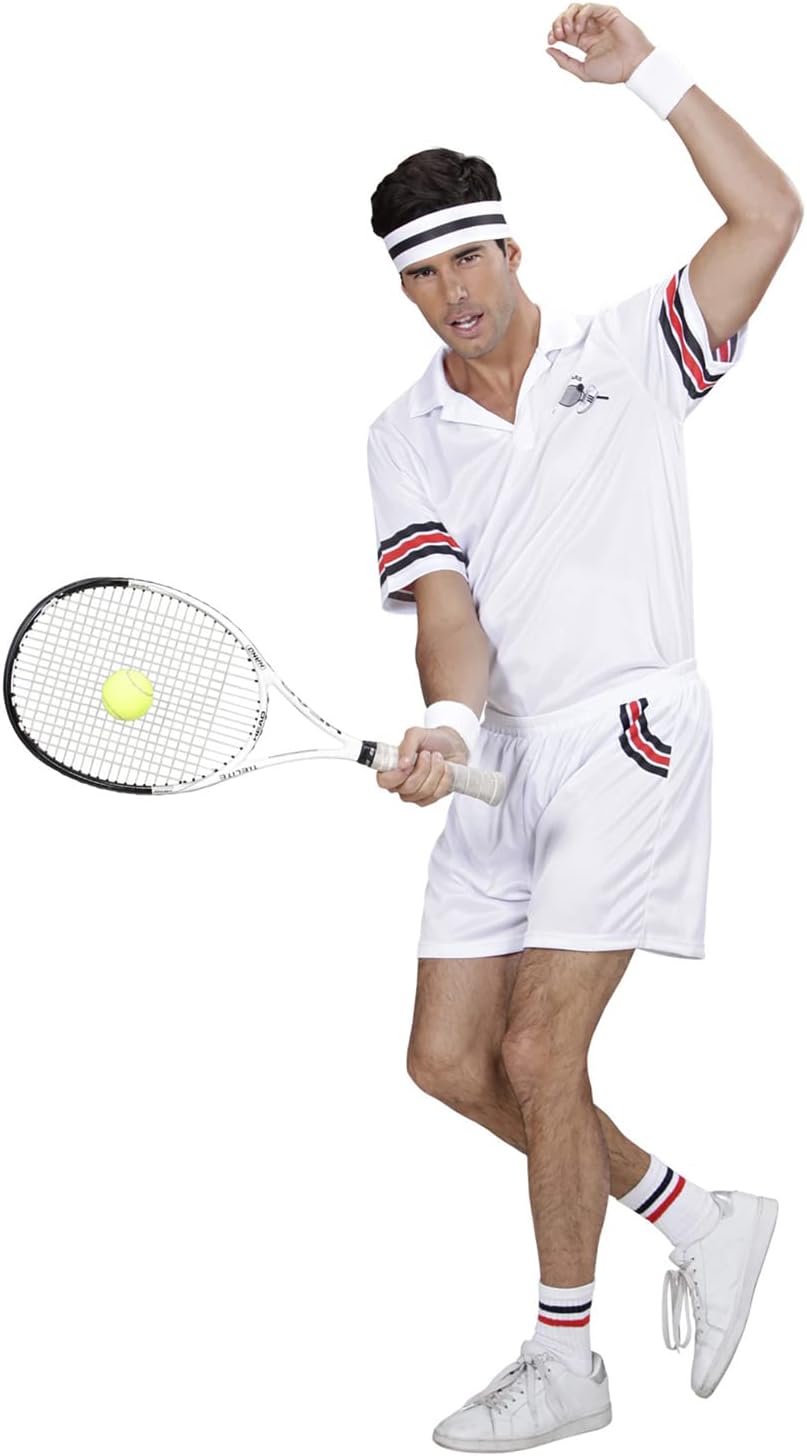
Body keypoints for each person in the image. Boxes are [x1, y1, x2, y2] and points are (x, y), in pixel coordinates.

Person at [365, 5, 801, 1451]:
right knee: (451, 1062)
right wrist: (444, 723)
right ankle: (702, 1217)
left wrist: (648, 78)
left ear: (511, 248)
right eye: (419, 275)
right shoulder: (403, 434)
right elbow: (447, 607)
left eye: (465, 260)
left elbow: (770, 214)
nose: (449, 294)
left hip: (630, 734)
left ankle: (567, 1362)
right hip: (503, 757)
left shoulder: (635, 350)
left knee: (543, 1053)